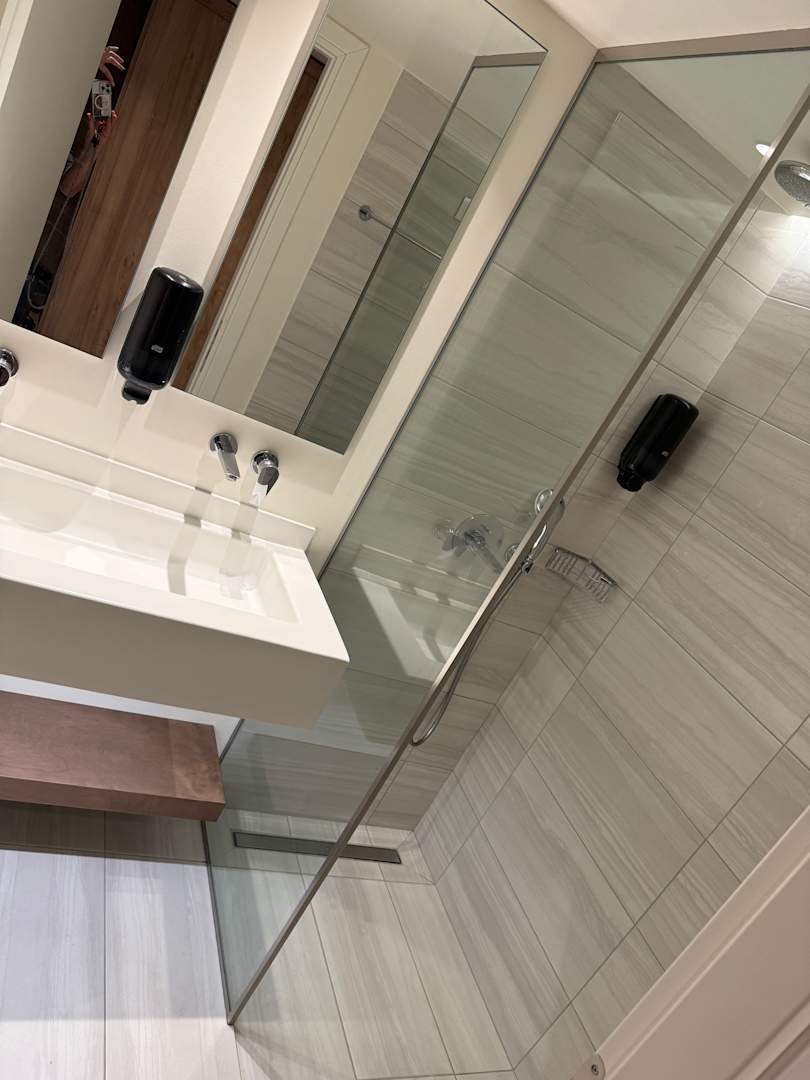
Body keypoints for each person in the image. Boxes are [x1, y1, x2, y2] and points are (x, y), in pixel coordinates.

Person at [13, 46, 126, 328]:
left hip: (26, 265)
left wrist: (94, 146)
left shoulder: (55, 139)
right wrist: (82, 63)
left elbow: (69, 187)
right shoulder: (22, 108)